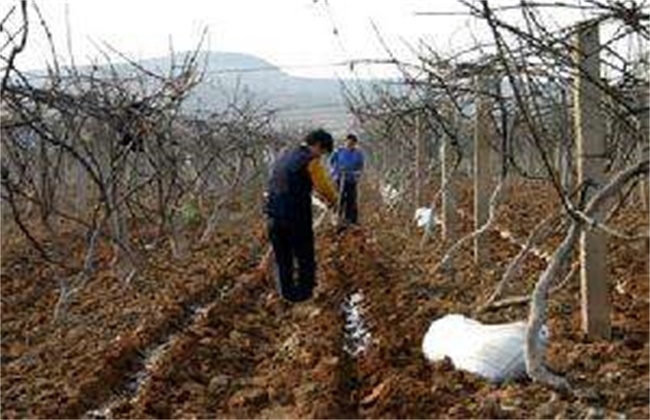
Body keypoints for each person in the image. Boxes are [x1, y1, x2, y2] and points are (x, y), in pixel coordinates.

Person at [264, 129, 339, 303]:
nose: (321, 157)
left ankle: (287, 296)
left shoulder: (284, 156)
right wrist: (334, 201)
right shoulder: (310, 160)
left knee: (283, 258)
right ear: (318, 146)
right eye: (322, 152)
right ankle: (305, 296)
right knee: (304, 256)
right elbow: (323, 186)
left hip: (273, 215)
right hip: (295, 217)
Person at [329, 133, 364, 224]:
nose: (350, 145)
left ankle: (351, 220)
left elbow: (360, 166)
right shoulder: (338, 151)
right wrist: (334, 172)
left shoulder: (358, 153)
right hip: (339, 178)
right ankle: (337, 218)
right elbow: (331, 163)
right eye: (348, 143)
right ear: (345, 142)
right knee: (339, 198)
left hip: (351, 179)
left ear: (355, 144)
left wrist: (357, 173)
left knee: (351, 199)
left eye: (352, 144)